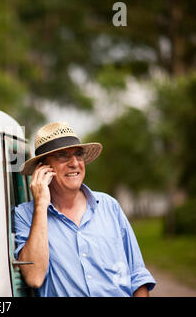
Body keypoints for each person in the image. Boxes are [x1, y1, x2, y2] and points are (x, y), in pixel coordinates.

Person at [14, 121, 156, 297]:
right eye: (62, 156)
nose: (74, 163)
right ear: (42, 168)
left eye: (78, 154)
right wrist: (41, 205)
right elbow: (34, 277)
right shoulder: (25, 215)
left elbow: (137, 276)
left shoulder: (109, 206)